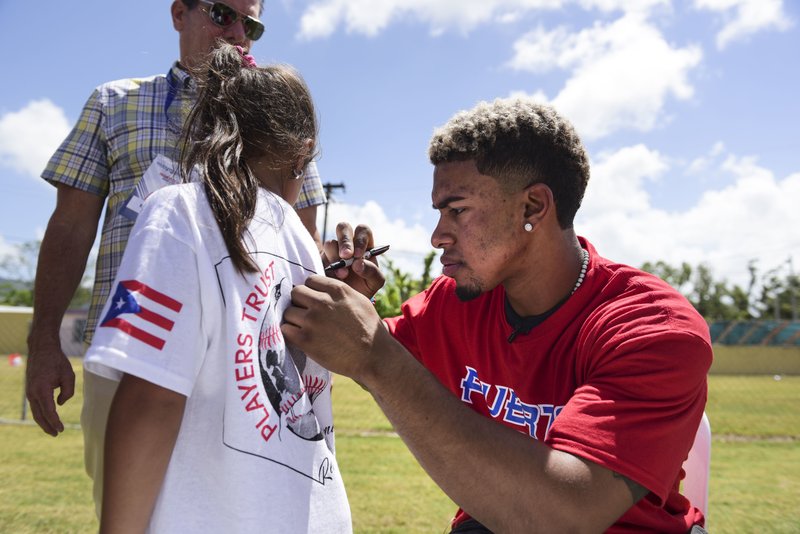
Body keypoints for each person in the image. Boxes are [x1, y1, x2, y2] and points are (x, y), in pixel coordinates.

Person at [282, 98, 712, 533]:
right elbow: (362, 344)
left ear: (532, 208)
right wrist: (355, 309)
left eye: (457, 210)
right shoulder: (456, 303)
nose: (436, 237)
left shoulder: (654, 328)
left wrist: (374, 356)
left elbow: (567, 517)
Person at [25, 0, 328, 512]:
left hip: (249, 367)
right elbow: (71, 227)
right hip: (131, 351)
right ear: (178, 13)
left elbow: (300, 245)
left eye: (250, 24)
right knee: (131, 509)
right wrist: (43, 341)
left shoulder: (273, 111)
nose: (237, 33)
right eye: (222, 14)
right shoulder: (113, 102)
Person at [82, 43, 351, 532]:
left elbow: (152, 396)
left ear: (208, 128)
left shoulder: (177, 213)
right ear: (302, 154)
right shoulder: (302, 244)